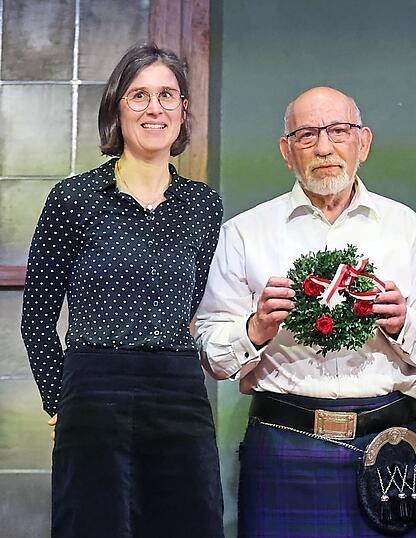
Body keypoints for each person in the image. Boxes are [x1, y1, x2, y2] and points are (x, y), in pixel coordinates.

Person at [195, 86, 416, 537]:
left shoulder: (405, 227)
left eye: (339, 131)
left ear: (363, 143)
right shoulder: (245, 233)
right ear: (286, 151)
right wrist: (255, 329)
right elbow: (213, 357)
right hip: (284, 447)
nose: (325, 147)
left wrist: (403, 324)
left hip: (387, 450)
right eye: (307, 134)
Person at [20, 44, 224, 538]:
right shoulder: (73, 198)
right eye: (139, 96)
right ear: (116, 108)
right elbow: (37, 319)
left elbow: (192, 304)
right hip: (93, 393)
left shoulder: (204, 206)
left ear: (183, 110)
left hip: (178, 395)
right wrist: (59, 399)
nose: (155, 108)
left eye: (167, 95)